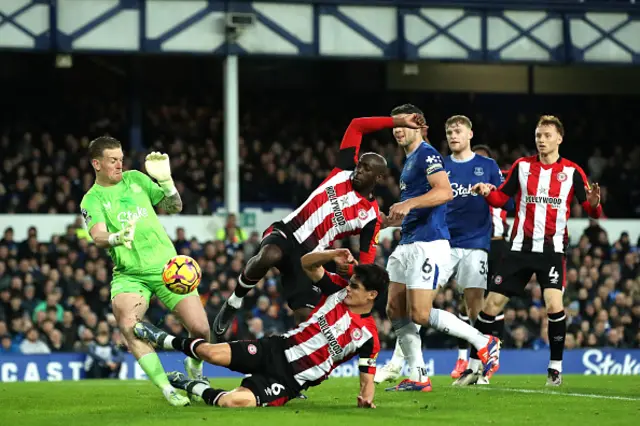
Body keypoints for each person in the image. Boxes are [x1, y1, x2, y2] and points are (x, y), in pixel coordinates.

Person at [212, 113, 425, 336]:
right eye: (360, 165)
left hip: (310, 257)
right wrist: (399, 121)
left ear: (379, 178)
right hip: (287, 230)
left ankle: (294, 364)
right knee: (269, 255)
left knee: (305, 318)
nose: (359, 170)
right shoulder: (342, 170)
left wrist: (351, 268)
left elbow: (366, 264)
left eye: (366, 169)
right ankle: (233, 303)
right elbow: (357, 125)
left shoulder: (371, 217)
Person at [133, 248, 388, 408]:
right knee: (210, 353)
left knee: (235, 401)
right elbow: (307, 263)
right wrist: (331, 254)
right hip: (275, 348)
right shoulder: (337, 290)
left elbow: (367, 377)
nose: (349, 288)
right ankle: (163, 339)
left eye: (355, 287)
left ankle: (191, 386)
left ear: (371, 295)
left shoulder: (368, 336)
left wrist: (367, 398)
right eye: (351, 283)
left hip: (289, 380)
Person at [461, 115, 602, 386]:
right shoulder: (522, 166)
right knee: (490, 306)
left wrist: (594, 203)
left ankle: (555, 368)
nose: (541, 139)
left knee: (554, 304)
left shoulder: (572, 171)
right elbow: (502, 197)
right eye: (538, 135)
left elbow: (590, 209)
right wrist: (486, 193)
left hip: (552, 249)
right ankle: (475, 365)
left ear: (559, 138)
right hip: (518, 248)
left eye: (547, 135)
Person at [374, 116, 508, 385]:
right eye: (448, 131)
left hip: (473, 244)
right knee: (412, 307)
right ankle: (402, 365)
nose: (453, 135)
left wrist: (491, 193)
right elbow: (428, 203)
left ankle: (476, 366)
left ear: (470, 133)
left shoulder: (487, 165)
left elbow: (506, 198)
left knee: (472, 307)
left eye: (458, 130)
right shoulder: (440, 165)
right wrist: (394, 219)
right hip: (443, 242)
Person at [79, 136, 210, 406]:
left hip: (169, 269)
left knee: (200, 329)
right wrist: (117, 238)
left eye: (121, 159)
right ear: (97, 164)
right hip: (129, 275)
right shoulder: (92, 199)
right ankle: (167, 389)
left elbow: (175, 207)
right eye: (113, 160)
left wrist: (167, 182)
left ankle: (194, 367)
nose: (119, 165)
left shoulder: (136, 179)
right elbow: (98, 236)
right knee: (129, 326)